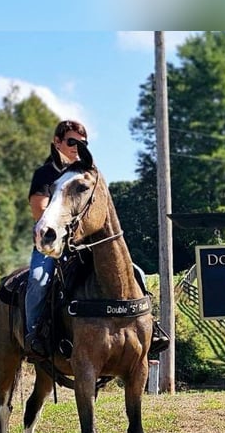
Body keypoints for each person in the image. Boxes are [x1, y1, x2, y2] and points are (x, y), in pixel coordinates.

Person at [24, 119, 169, 359]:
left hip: (86, 244)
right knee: (39, 280)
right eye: (71, 141)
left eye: (82, 143)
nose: (76, 146)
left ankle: (150, 329)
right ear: (57, 142)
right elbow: (39, 210)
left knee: (135, 273)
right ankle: (34, 335)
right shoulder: (46, 173)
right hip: (52, 242)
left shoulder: (87, 173)